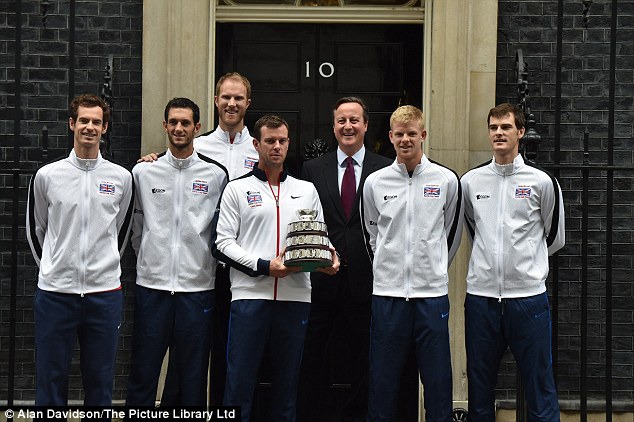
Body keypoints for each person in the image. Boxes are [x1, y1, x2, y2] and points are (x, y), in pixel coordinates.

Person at [212, 115, 340, 421]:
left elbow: (318, 236)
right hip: (249, 298)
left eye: (282, 140)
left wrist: (330, 258)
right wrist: (264, 266)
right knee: (239, 383)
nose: (277, 146)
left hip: (295, 300)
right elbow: (222, 243)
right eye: (270, 141)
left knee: (287, 385)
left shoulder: (305, 189)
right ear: (256, 144)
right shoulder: (236, 189)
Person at [150, 72, 258, 405]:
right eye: (226, 97)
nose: (231, 103)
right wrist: (151, 158)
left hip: (247, 268)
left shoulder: (260, 148)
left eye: (238, 98)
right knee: (192, 356)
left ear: (247, 104)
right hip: (204, 270)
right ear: (215, 101)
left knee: (235, 353)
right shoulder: (200, 145)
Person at [26, 94, 134, 408]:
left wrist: (103, 266)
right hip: (56, 295)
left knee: (100, 383)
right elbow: (36, 231)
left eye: (96, 122)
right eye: (83, 120)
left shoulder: (121, 178)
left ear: (105, 128)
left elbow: (121, 232)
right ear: (72, 124)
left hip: (103, 295)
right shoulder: (48, 176)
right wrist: (52, 269)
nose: (89, 127)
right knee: (50, 379)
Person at [460, 103, 565, 421]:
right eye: (493, 127)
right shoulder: (471, 182)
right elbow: (472, 230)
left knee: (539, 385)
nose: (498, 133)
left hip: (527, 300)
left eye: (505, 127)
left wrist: (524, 266)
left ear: (520, 132)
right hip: (481, 300)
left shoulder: (541, 181)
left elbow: (554, 237)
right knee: (479, 389)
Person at [361, 105, 462, 422]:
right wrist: (387, 269)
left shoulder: (446, 180)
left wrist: (430, 267)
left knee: (437, 380)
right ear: (391, 137)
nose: (406, 140)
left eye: (412, 134)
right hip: (388, 295)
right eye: (400, 134)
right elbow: (371, 234)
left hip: (430, 296)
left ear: (424, 135)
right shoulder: (375, 183)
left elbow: (452, 234)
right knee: (383, 381)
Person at [125, 98, 228, 406]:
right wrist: (149, 258)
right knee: (143, 372)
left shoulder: (216, 175)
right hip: (152, 288)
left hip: (197, 290)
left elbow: (219, 229)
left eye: (186, 123)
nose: (179, 128)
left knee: (192, 378)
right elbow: (135, 225)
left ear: (197, 127)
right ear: (165, 125)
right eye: (174, 122)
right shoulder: (144, 172)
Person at [298, 96, 392, 422]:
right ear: (334, 126)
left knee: (364, 360)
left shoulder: (385, 169)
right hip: (322, 280)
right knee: (313, 358)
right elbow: (304, 221)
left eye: (354, 120)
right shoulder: (312, 169)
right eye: (342, 121)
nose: (348, 126)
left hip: (368, 283)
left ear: (366, 125)